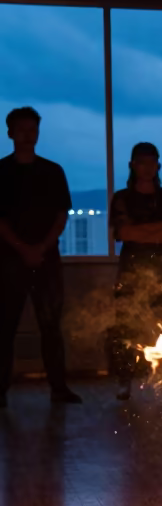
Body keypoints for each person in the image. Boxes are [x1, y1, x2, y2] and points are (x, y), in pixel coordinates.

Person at [0, 106, 81, 407]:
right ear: (9, 132)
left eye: (32, 129)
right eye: (21, 129)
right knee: (5, 326)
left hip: (44, 259)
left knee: (51, 326)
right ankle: (1, 390)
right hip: (10, 260)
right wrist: (26, 249)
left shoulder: (52, 171)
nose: (27, 134)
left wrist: (40, 248)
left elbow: (62, 214)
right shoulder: (2, 172)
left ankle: (59, 388)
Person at [109, 142, 162, 401]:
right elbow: (124, 232)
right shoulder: (122, 198)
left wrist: (141, 231)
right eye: (142, 162)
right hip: (132, 272)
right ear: (132, 165)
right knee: (125, 328)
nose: (147, 168)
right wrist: (158, 229)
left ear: (158, 166)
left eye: (151, 162)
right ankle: (124, 379)